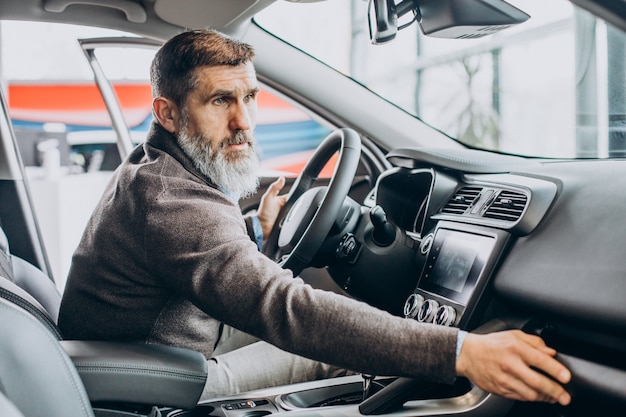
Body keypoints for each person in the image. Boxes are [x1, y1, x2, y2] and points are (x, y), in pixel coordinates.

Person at [58, 29, 571, 406]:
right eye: (220, 101)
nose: (244, 122)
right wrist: (459, 352)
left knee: (344, 320)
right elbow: (286, 308)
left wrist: (263, 235)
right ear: (167, 113)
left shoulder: (160, 170)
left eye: (249, 97)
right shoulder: (171, 202)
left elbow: (215, 270)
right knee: (346, 348)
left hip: (166, 344)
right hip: (159, 380)